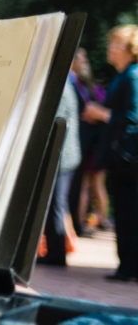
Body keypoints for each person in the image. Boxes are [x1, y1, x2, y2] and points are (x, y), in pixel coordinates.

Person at [83, 25, 138, 282]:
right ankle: (127, 266)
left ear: (129, 49)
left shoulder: (133, 76)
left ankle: (129, 268)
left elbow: (133, 117)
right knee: (126, 213)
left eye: (115, 43)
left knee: (129, 213)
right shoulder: (124, 75)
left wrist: (101, 114)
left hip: (128, 160)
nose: (110, 48)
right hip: (121, 158)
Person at [36, 82, 82, 266]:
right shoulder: (66, 84)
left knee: (55, 205)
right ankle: (55, 252)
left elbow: (57, 123)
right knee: (55, 204)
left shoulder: (62, 85)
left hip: (62, 156)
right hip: (65, 154)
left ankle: (56, 255)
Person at [70, 47, 110, 236]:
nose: (84, 62)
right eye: (81, 59)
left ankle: (90, 221)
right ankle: (95, 219)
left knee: (89, 183)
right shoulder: (85, 85)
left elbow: (100, 109)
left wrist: (96, 113)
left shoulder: (87, 86)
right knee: (92, 183)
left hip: (91, 143)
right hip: (92, 142)